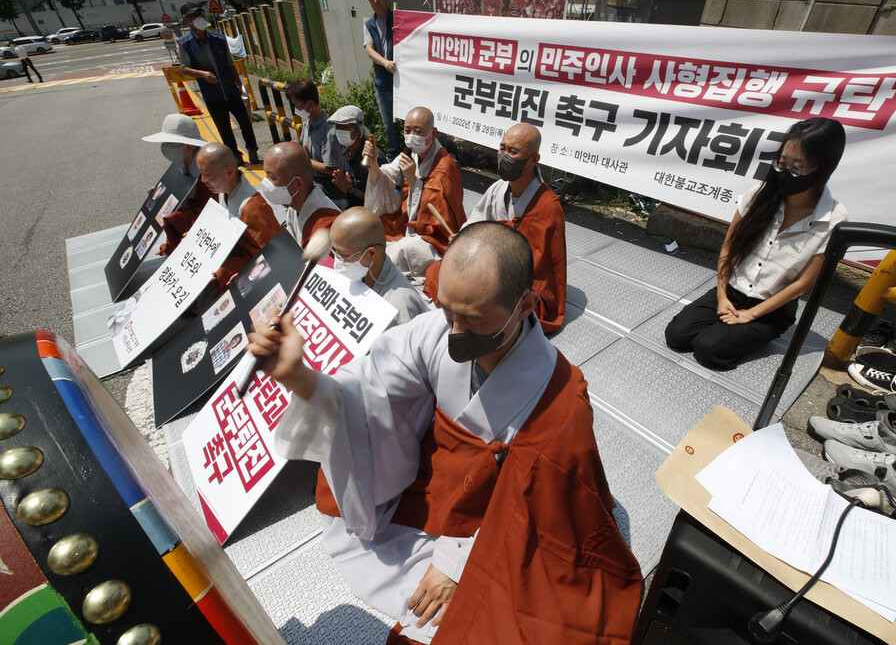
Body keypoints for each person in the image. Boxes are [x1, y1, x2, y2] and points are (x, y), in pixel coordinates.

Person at [248, 222, 642, 645]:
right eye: (447, 310)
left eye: (472, 320)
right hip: (434, 486)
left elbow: (537, 509)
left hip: (496, 515)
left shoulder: (560, 401)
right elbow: (366, 392)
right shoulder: (436, 331)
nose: (453, 333)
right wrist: (302, 378)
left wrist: (456, 563)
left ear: (526, 306)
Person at [665, 117, 848, 370]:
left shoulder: (834, 219)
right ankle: (727, 323)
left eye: (798, 167)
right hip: (730, 291)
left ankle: (753, 332)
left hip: (771, 310)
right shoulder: (757, 195)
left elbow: (803, 283)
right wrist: (721, 295)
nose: (786, 173)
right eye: (782, 164)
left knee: (709, 350)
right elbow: (728, 248)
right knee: (677, 335)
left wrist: (751, 315)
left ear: (823, 167)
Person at [422, 122, 566, 333]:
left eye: (513, 151)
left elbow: (537, 266)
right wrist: (464, 240)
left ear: (534, 159)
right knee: (437, 270)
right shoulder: (499, 188)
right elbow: (476, 223)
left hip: (519, 284)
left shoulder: (547, 206)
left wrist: (487, 261)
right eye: (502, 148)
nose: (504, 156)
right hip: (489, 264)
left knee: (485, 300)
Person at [364, 107, 465, 285]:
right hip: (408, 221)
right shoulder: (412, 152)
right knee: (371, 232)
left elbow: (435, 214)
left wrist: (412, 181)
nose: (411, 136)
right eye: (407, 130)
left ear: (433, 133)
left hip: (434, 235)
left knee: (400, 252)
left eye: (418, 131)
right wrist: (373, 164)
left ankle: (377, 281)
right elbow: (388, 175)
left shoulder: (445, 166)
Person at [177, 2, 259, 165]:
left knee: (245, 123)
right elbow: (184, 68)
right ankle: (235, 155)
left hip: (231, 91)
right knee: (224, 129)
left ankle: (252, 149)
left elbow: (230, 63)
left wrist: (238, 84)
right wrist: (202, 74)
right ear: (187, 20)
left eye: (201, 14)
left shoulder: (218, 39)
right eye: (195, 15)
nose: (200, 17)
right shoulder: (184, 43)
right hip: (212, 95)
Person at [195, 143, 282, 290]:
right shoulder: (223, 192)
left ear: (229, 172)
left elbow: (274, 253)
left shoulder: (253, 208)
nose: (203, 180)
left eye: (207, 175)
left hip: (251, 267)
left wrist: (247, 276)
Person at [329, 207, 428, 326]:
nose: (338, 260)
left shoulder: (399, 308)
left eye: (344, 255)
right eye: (335, 252)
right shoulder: (362, 273)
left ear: (372, 254)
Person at [141, 113, 213, 256]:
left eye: (170, 144)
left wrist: (174, 215)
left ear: (187, 146)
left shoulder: (206, 173)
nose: (164, 147)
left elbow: (210, 212)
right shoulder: (182, 162)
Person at [260, 142, 340, 249]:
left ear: (297, 183)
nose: (266, 181)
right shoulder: (295, 205)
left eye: (272, 178)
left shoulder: (324, 229)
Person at [285, 80, 338, 200]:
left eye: (298, 106)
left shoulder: (329, 131)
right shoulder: (307, 124)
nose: (296, 110)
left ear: (310, 104)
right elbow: (303, 149)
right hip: (310, 178)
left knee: (295, 196)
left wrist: (305, 159)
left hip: (327, 185)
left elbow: (331, 170)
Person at [329, 105, 386, 209]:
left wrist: (350, 189)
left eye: (344, 127)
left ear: (358, 130)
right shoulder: (344, 151)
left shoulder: (373, 157)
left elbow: (382, 200)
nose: (339, 131)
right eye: (337, 127)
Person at [363, 0, 398, 158]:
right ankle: (392, 160)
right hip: (383, 85)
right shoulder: (369, 24)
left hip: (402, 83)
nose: (375, 1)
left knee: (411, 121)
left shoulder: (398, 18)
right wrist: (385, 63)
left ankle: (413, 154)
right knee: (389, 127)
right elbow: (369, 51)